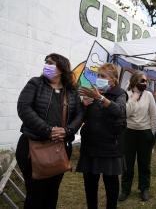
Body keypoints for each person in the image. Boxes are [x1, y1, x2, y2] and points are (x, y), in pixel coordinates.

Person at [16, 53, 83, 209]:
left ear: (61, 68)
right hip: (32, 148)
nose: (46, 65)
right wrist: (48, 130)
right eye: (46, 62)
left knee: (52, 193)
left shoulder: (71, 91)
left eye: (51, 63)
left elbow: (79, 114)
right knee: (35, 195)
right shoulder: (35, 84)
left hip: (60, 149)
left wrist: (68, 130)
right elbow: (24, 108)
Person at [77, 63, 127, 209]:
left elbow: (119, 111)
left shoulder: (120, 94)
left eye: (103, 76)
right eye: (98, 75)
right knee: (90, 183)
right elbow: (82, 118)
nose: (99, 79)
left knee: (111, 183)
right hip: (91, 145)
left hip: (110, 146)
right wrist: (84, 104)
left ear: (113, 80)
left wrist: (100, 98)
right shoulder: (92, 92)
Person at [118, 72, 156, 202]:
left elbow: (153, 115)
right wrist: (134, 97)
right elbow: (126, 114)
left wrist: (153, 134)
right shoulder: (126, 94)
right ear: (134, 81)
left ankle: (144, 188)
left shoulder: (149, 95)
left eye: (146, 81)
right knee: (127, 163)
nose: (144, 83)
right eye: (142, 81)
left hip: (145, 132)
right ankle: (125, 189)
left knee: (145, 163)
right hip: (128, 132)